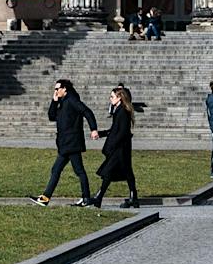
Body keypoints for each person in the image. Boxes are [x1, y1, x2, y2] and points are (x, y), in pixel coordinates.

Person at [37, 77, 97, 206]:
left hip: (72, 142)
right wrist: (54, 101)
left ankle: (85, 198)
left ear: (64, 89)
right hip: (65, 144)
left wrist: (93, 129)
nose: (56, 91)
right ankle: (46, 198)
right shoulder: (62, 102)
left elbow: (87, 112)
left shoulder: (72, 101)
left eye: (57, 89)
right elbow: (51, 116)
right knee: (58, 170)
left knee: (78, 171)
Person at [92, 83, 139, 208]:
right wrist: (100, 134)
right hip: (121, 147)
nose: (110, 99)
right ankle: (134, 197)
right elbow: (114, 130)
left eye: (112, 96)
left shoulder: (122, 112)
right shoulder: (119, 111)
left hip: (120, 149)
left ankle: (99, 197)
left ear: (119, 98)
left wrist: (112, 145)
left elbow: (122, 132)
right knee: (126, 172)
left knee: (108, 172)